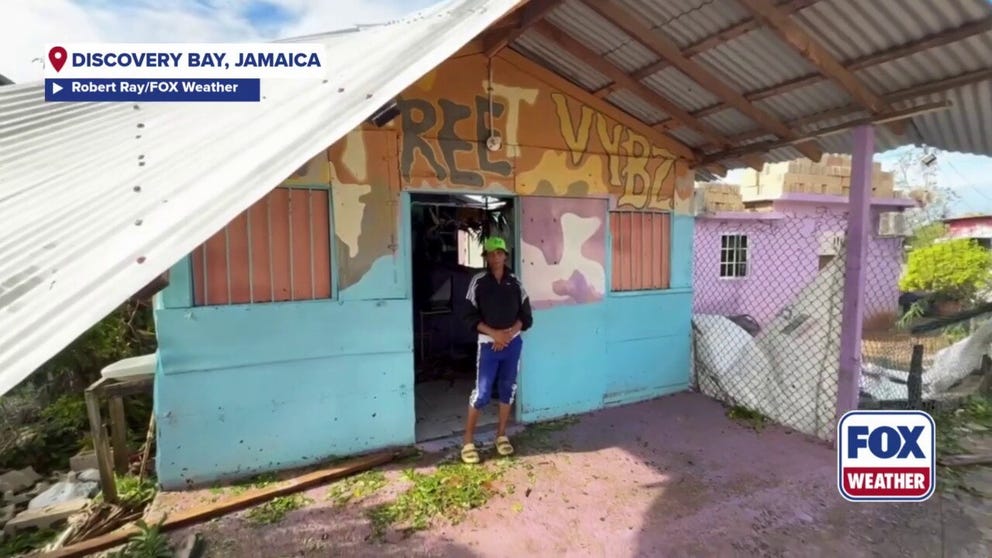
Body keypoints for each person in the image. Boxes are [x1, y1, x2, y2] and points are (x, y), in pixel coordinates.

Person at [460, 236, 533, 464]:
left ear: (505, 255)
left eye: (499, 253)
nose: (496, 257)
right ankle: (468, 441)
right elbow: (468, 316)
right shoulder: (479, 281)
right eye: (491, 254)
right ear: (486, 257)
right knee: (482, 393)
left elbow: (526, 316)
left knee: (507, 388)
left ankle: (501, 435)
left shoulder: (515, 281)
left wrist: (508, 335)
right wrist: (494, 334)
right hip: (488, 344)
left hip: (512, 343)